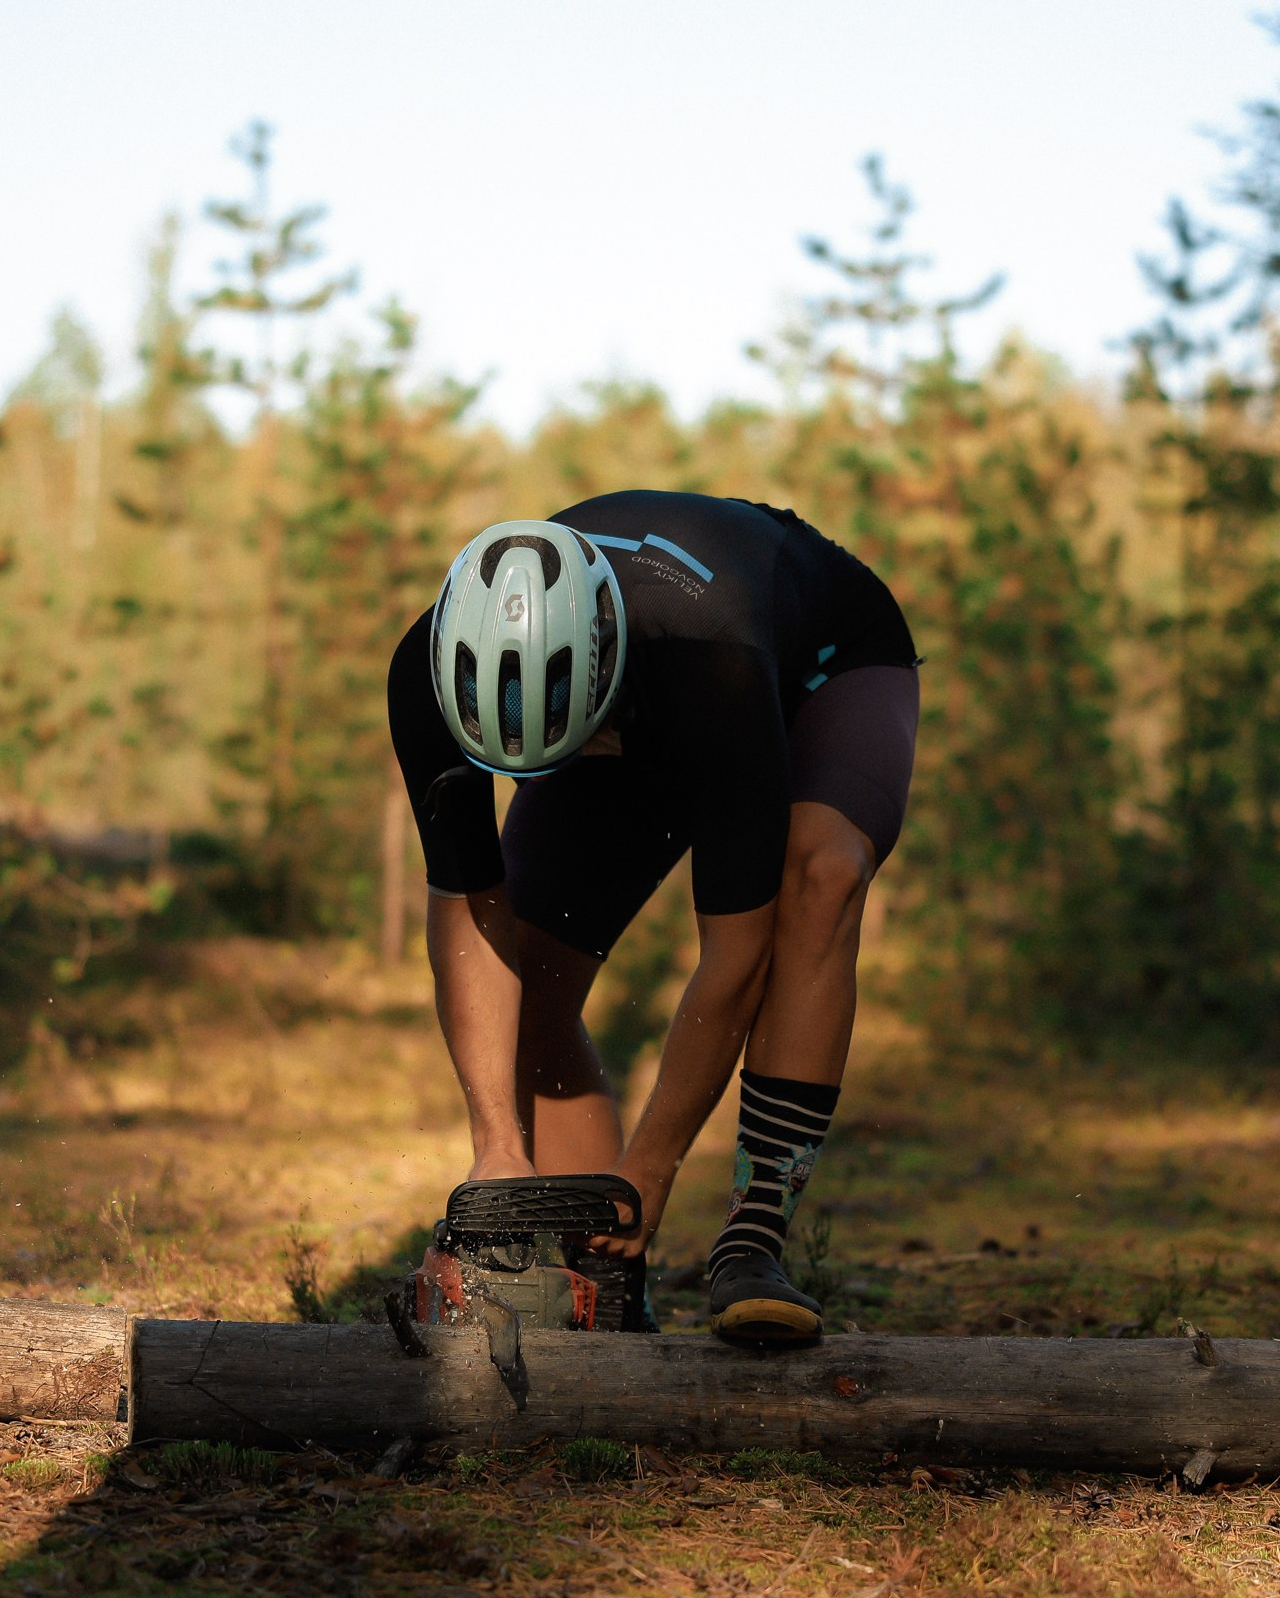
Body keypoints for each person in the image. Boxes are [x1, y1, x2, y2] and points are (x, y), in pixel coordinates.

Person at [386, 490, 918, 1340]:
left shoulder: (714, 662)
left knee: (820, 876)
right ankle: (602, 1271)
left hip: (814, 663)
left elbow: (736, 954)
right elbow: (466, 908)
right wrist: (496, 1145)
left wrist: (655, 1164)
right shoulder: (424, 671)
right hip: (620, 706)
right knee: (535, 971)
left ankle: (752, 1237)